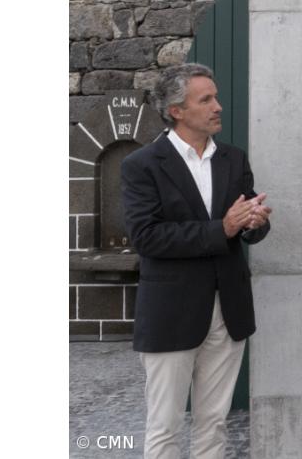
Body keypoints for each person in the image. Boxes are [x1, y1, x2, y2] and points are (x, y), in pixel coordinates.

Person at [121, 63, 271, 459]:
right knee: (164, 428)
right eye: (206, 100)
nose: (218, 106)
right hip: (171, 314)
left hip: (229, 310)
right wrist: (222, 228)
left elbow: (245, 225)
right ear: (176, 111)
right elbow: (146, 237)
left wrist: (254, 223)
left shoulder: (233, 159)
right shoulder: (141, 166)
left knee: (214, 423)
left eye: (216, 97)